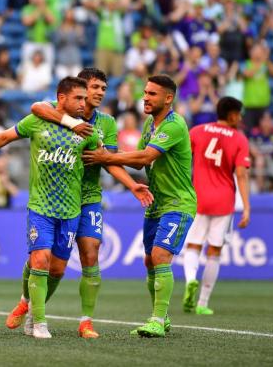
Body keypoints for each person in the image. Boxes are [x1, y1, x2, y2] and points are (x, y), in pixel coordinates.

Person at [5, 68, 154, 339]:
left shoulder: (106, 123)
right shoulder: (53, 110)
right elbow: (36, 107)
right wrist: (70, 122)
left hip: (88, 199)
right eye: (94, 87)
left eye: (102, 89)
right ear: (80, 90)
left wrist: (131, 183)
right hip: (54, 197)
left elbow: (109, 160)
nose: (98, 93)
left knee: (90, 254)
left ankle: (86, 321)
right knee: (43, 260)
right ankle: (28, 303)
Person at [0, 77, 100, 339]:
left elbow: (103, 158)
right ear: (61, 98)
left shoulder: (87, 131)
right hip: (41, 206)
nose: (84, 103)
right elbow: (3, 137)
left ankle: (29, 305)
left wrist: (130, 181)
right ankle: (40, 323)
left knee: (57, 270)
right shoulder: (38, 120)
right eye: (78, 98)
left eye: (85, 98)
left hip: (71, 210)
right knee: (39, 259)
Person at [82, 75, 197, 338]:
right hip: (156, 203)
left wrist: (107, 156)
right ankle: (162, 317)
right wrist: (110, 158)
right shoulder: (149, 123)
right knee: (149, 261)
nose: (145, 97)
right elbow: (136, 163)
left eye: (152, 94)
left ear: (168, 98)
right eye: (145, 92)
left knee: (159, 256)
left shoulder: (175, 125)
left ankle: (157, 319)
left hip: (178, 203)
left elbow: (146, 156)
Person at [181, 97, 251, 315]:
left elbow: (182, 158)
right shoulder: (239, 139)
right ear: (231, 115)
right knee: (214, 251)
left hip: (198, 197)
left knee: (193, 245)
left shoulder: (197, 131)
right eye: (238, 114)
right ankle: (202, 303)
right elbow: (241, 174)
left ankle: (190, 280)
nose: (240, 118)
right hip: (223, 201)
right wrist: (247, 207)